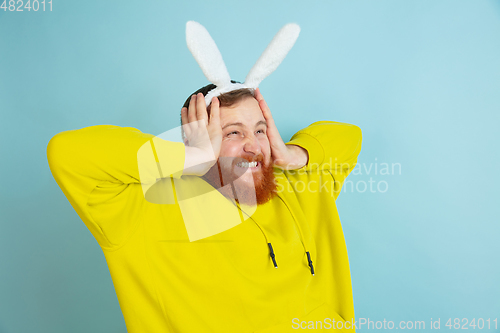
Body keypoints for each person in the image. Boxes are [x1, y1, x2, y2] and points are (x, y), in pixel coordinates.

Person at [47, 84, 362, 332]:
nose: (253, 145)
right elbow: (66, 152)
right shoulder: (145, 209)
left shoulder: (300, 184)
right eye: (233, 132)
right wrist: (188, 158)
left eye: (260, 130)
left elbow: (349, 136)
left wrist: (293, 153)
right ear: (199, 143)